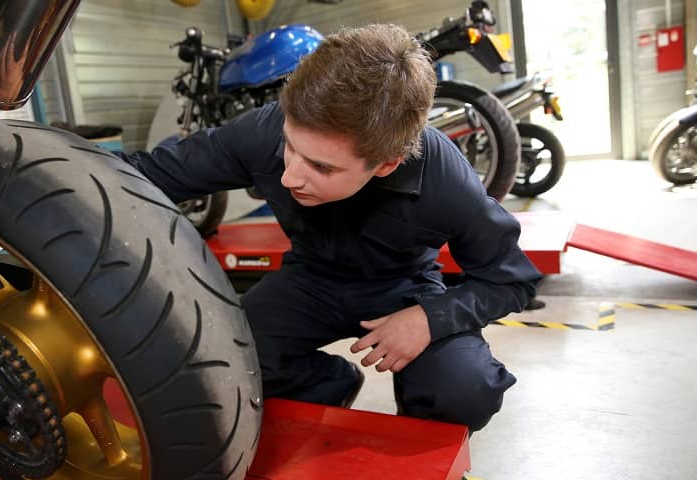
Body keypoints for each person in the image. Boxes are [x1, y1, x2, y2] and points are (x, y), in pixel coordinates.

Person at [115, 23, 542, 432]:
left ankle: (418, 438)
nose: (289, 177)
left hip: (402, 288)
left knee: (464, 390)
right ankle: (329, 384)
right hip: (309, 281)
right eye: (291, 147)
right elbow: (151, 172)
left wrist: (430, 319)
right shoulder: (264, 130)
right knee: (223, 364)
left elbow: (511, 281)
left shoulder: (443, 177)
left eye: (321, 166)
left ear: (387, 163)